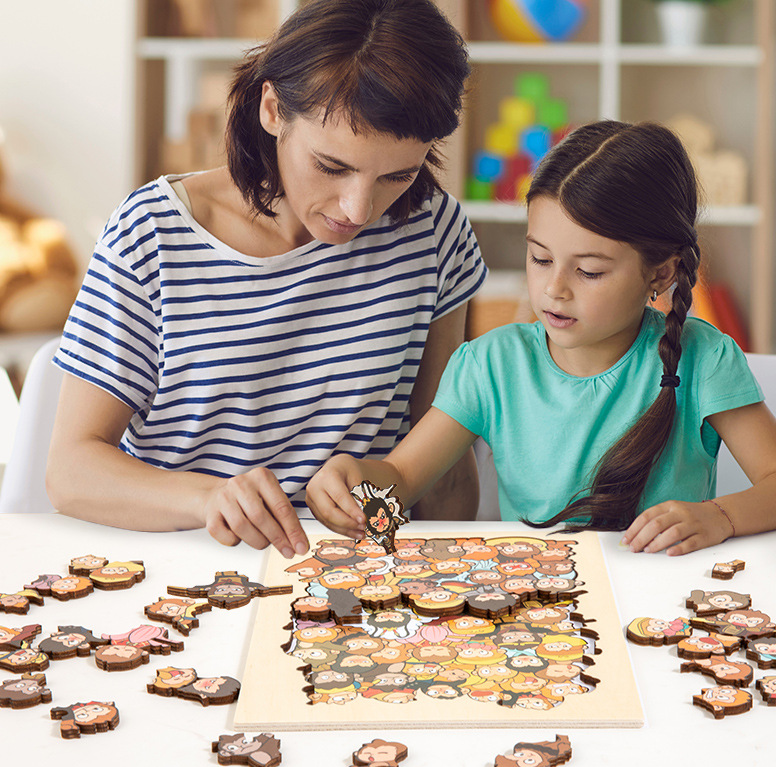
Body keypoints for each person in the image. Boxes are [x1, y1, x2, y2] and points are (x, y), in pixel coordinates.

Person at [46, 0, 486, 557]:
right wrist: (208, 500)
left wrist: (391, 498)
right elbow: (72, 470)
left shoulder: (432, 231)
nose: (357, 209)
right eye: (333, 166)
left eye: (398, 175)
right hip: (187, 563)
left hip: (357, 573)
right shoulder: (153, 235)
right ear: (273, 108)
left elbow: (440, 464)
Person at [307, 120, 776, 556]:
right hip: (540, 609)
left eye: (589, 271)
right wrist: (353, 480)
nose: (554, 289)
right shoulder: (491, 364)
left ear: (661, 272)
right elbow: (400, 478)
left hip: (659, 607)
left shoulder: (704, 359)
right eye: (540, 259)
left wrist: (721, 517)